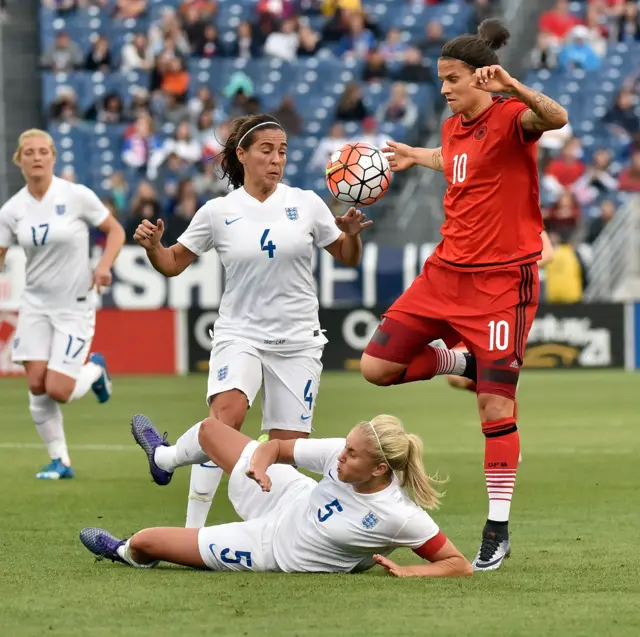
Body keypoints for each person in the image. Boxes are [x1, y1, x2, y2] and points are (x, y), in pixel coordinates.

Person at [359, 20, 569, 571]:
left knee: (495, 406)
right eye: (441, 80)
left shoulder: (510, 117)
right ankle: (459, 359)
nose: (445, 89)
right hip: (444, 275)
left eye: (452, 79)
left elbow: (556, 116)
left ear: (481, 78)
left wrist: (513, 85)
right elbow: (454, 159)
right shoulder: (454, 128)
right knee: (376, 366)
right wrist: (416, 156)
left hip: (503, 282)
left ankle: (497, 527)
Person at [133, 113, 373, 530]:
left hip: (298, 341)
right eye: (266, 150)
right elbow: (172, 263)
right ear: (241, 154)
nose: (276, 159)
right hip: (239, 333)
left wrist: (351, 235)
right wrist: (155, 247)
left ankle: (166, 458)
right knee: (226, 418)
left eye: (282, 151)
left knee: (285, 452)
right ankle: (193, 534)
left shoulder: (307, 204)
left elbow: (347, 257)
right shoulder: (217, 212)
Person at [79, 413, 473, 578]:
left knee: (147, 541)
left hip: (271, 549)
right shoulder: (340, 455)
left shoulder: (398, 515)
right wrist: (262, 464)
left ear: (379, 470)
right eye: (346, 445)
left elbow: (458, 563)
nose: (341, 454)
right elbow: (280, 449)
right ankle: (163, 459)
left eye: (352, 454)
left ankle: (123, 553)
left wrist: (410, 570)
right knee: (211, 430)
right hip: (287, 495)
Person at [0, 129, 125, 479]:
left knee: (58, 389)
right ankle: (61, 461)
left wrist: (102, 266)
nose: (37, 157)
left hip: (74, 304)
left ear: (53, 157)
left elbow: (115, 231)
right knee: (36, 384)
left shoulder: (76, 196)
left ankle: (96, 369)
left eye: (43, 151)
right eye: (29, 152)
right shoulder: (11, 211)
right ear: (20, 160)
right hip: (35, 305)